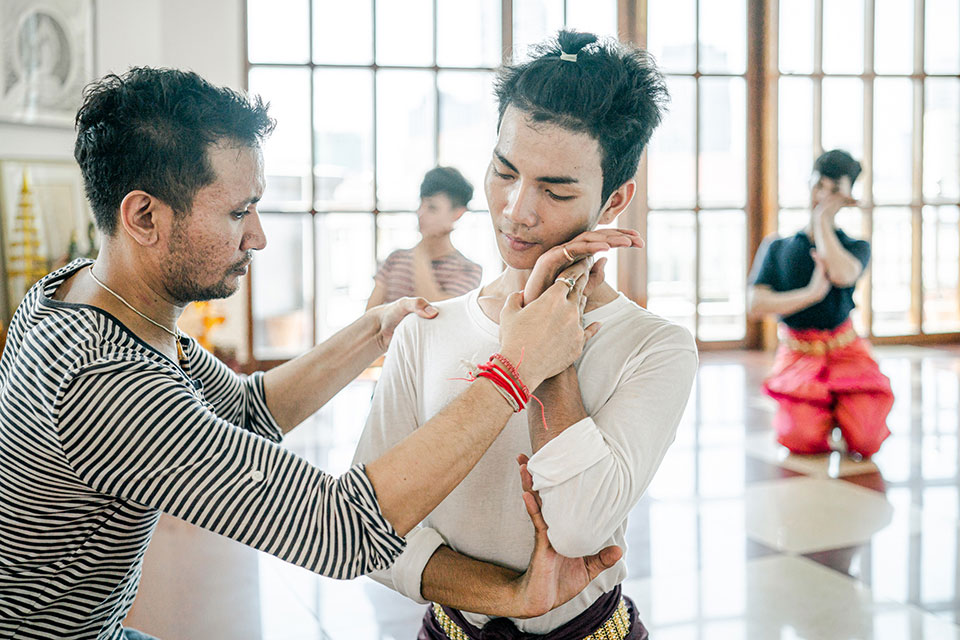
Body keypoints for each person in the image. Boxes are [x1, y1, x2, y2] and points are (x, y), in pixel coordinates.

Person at [0, 67, 615, 640]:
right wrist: (514, 370)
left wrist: (373, 330)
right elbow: (339, 530)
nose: (259, 236)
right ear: (142, 215)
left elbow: (244, 410)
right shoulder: (98, 377)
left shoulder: (79, 291)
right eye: (239, 212)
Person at [353, 31, 698, 639]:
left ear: (615, 199)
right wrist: (511, 594)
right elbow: (368, 532)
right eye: (504, 172)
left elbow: (578, 529)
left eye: (556, 190)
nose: (516, 210)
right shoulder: (426, 331)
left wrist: (549, 334)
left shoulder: (656, 347)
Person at [747, 149, 894, 458]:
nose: (823, 196)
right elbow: (755, 303)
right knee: (800, 438)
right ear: (809, 183)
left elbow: (842, 275)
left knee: (867, 441)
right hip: (798, 354)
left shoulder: (856, 246)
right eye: (819, 186)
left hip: (847, 351)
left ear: (847, 197)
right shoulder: (777, 246)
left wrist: (822, 219)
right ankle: (822, 417)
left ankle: (843, 413)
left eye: (834, 191)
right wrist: (811, 295)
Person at [366, 167, 483, 309]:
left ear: (457, 214)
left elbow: (435, 310)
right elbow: (369, 318)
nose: (421, 213)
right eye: (421, 204)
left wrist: (421, 252)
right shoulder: (396, 259)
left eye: (432, 208)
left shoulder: (468, 270)